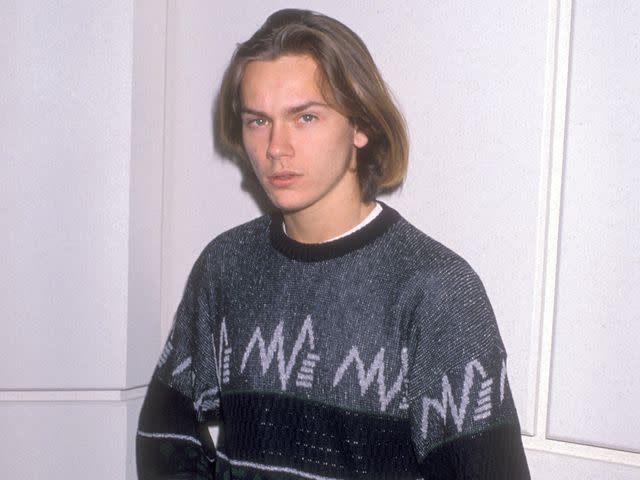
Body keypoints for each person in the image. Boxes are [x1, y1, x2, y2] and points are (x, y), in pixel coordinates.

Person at [137, 8, 530, 480]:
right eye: (257, 121)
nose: (276, 147)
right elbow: (165, 431)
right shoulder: (226, 266)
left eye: (305, 117)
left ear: (360, 126)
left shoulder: (437, 291)